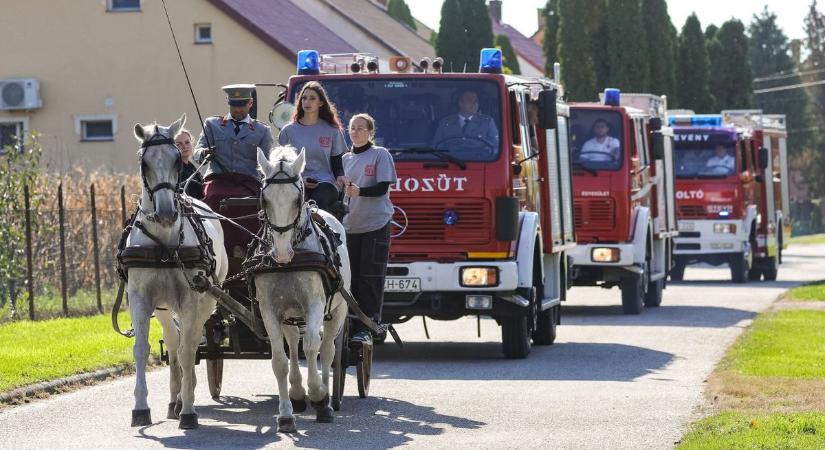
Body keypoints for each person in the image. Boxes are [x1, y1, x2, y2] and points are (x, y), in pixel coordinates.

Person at [192, 84, 273, 257]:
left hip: (248, 181)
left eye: (241, 105)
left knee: (252, 204)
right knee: (213, 199)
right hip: (218, 179)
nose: (237, 109)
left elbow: (267, 163)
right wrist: (205, 153)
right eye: (233, 105)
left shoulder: (262, 131)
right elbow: (196, 152)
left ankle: (248, 247)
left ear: (250, 103)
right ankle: (213, 245)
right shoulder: (212, 124)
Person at [342, 113, 397, 344]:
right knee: (349, 278)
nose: (355, 132)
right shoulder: (343, 159)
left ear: (370, 132)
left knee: (370, 276)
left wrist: (360, 192)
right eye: (352, 128)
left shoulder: (380, 155)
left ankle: (370, 323)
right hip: (349, 225)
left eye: (361, 128)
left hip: (375, 223)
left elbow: (383, 188)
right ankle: (350, 323)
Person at [278, 81, 348, 212]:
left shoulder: (332, 130)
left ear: (321, 103)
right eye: (304, 98)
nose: (307, 102)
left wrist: (341, 176)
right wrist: (300, 180)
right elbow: (283, 165)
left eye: (312, 98)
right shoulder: (288, 131)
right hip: (295, 183)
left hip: (326, 183)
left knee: (317, 202)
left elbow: (337, 165)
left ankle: (324, 232)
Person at [431, 89, 499, 149]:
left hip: (479, 160)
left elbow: (495, 147)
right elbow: (436, 147)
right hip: (450, 160)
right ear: (460, 103)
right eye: (470, 101)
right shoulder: (445, 122)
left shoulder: (487, 122)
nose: (474, 104)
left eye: (476, 101)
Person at [174, 128, 204, 199]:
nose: (184, 146)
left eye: (187, 142)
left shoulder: (192, 167)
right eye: (178, 144)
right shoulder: (173, 169)